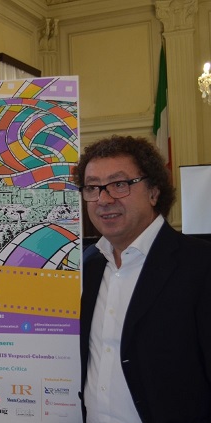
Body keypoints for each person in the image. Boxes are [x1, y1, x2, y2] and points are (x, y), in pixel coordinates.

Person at [74, 135, 211, 422]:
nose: (103, 199)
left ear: (154, 192)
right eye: (92, 187)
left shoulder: (200, 265)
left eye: (119, 184)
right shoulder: (87, 266)